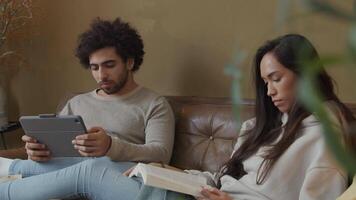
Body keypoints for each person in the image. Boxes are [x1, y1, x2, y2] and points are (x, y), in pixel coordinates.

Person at [0, 34, 354, 200]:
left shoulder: (326, 130)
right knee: (98, 167)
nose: (270, 91)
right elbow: (223, 177)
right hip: (202, 189)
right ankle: (9, 170)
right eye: (265, 82)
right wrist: (174, 173)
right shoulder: (267, 125)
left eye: (276, 79)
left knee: (92, 170)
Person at [0, 17, 175, 183]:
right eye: (94, 67)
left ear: (129, 62)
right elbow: (56, 152)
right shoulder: (76, 103)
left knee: (93, 166)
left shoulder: (154, 104)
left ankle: (11, 169)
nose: (101, 75)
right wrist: (36, 152)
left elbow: (161, 154)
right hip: (64, 174)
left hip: (111, 175)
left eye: (109, 65)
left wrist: (110, 147)